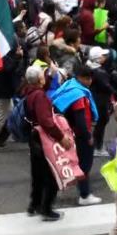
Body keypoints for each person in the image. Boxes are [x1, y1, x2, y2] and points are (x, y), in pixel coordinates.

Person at [24, 66, 72, 221]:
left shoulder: (28, 92)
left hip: (33, 137)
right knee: (51, 174)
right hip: (43, 138)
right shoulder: (40, 97)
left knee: (37, 173)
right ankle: (46, 208)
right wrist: (61, 137)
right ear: (39, 79)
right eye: (43, 76)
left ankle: (35, 204)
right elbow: (47, 122)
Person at [50, 65, 102, 206]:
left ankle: (48, 195)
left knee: (63, 164)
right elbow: (81, 120)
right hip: (78, 136)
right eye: (87, 78)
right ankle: (84, 195)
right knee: (84, 165)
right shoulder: (78, 95)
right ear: (80, 78)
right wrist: (88, 136)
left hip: (66, 133)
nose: (90, 81)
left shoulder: (68, 86)